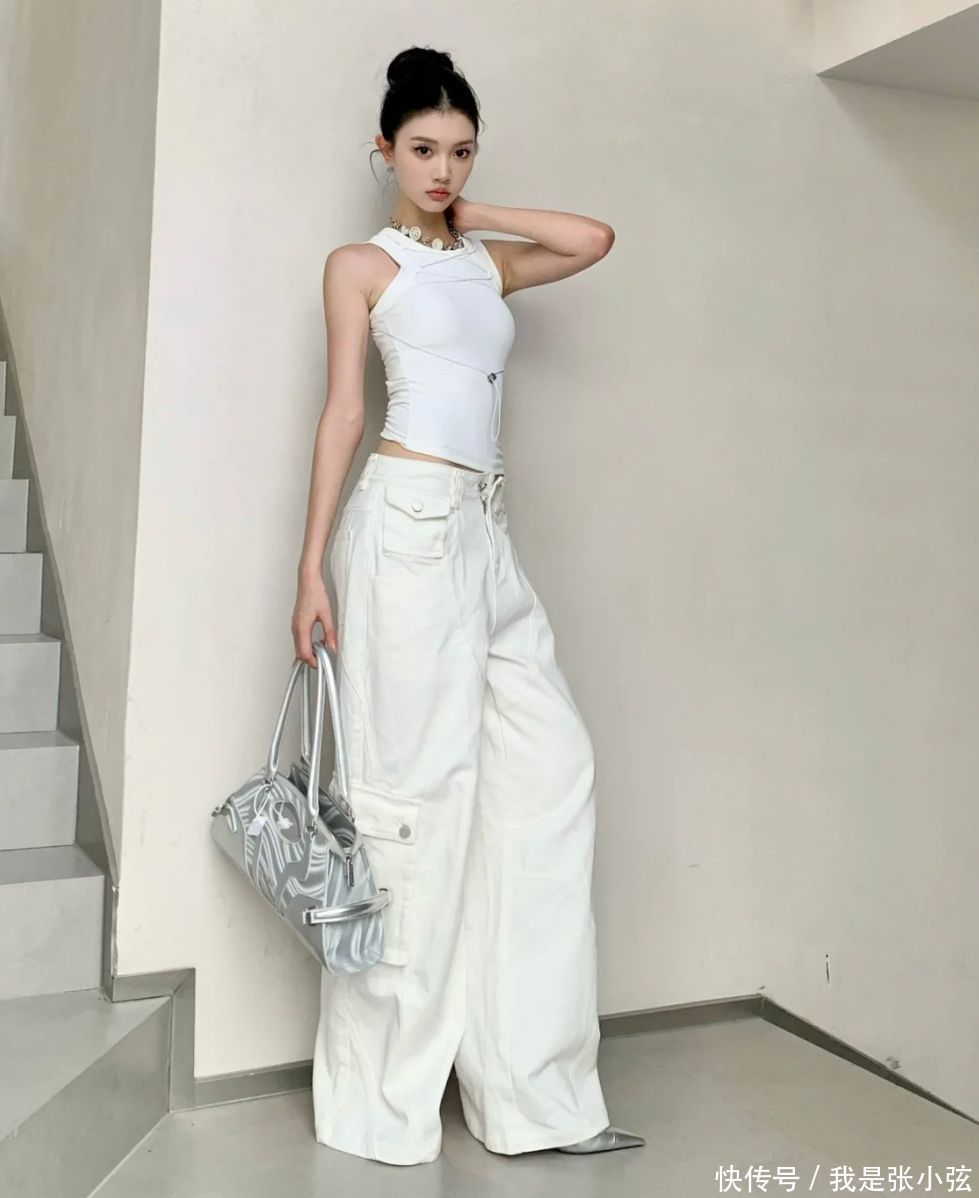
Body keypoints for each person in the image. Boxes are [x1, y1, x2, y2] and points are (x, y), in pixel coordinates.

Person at [291, 44, 645, 1167]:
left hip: (486, 535)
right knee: (412, 806)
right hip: (403, 529)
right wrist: (309, 570)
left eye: (459, 151)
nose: (441, 168)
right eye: (422, 150)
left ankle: (533, 1097)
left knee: (549, 780)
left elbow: (592, 239)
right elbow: (343, 414)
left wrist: (468, 213)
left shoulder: (483, 265)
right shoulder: (361, 265)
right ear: (384, 151)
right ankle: (381, 1105)